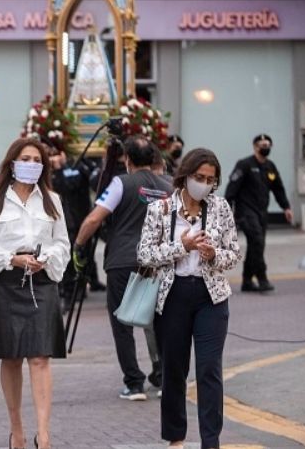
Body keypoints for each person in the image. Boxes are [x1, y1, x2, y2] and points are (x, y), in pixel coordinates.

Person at [138, 148, 240, 449]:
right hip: (173, 296)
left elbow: (233, 254)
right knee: (173, 369)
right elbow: (144, 254)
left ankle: (211, 441)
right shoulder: (160, 209)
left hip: (211, 297)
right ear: (185, 175)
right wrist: (181, 246)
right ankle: (176, 438)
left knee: (209, 369)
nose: (204, 184)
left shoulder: (220, 208)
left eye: (210, 179)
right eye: (199, 177)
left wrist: (213, 254)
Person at [0, 138, 69, 449]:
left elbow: (63, 244)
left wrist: (46, 260)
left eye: (36, 159)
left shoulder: (52, 200)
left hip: (41, 282)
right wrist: (10, 259)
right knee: (12, 357)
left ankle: (43, 434)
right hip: (6, 282)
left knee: (41, 358)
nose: (30, 163)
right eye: (24, 158)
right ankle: (16, 430)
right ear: (12, 163)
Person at [73, 135, 172, 401]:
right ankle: (164, 377)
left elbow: (95, 218)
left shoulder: (121, 183)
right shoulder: (168, 185)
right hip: (157, 261)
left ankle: (134, 383)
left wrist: (79, 244)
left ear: (126, 159)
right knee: (159, 320)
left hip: (122, 260)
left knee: (122, 323)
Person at [225, 133, 292, 292]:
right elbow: (231, 189)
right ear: (255, 147)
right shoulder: (245, 165)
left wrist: (286, 207)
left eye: (268, 145)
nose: (265, 148)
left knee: (256, 246)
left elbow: (278, 189)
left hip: (261, 213)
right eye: (262, 146)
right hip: (245, 212)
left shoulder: (270, 167)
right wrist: (227, 211)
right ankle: (262, 278)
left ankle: (247, 281)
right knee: (257, 241)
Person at [48, 148, 105, 302]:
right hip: (64, 220)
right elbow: (61, 187)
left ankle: (80, 287)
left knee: (81, 254)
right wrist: (58, 169)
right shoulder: (50, 172)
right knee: (68, 258)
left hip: (79, 217)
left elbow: (79, 183)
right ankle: (67, 291)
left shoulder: (79, 167)